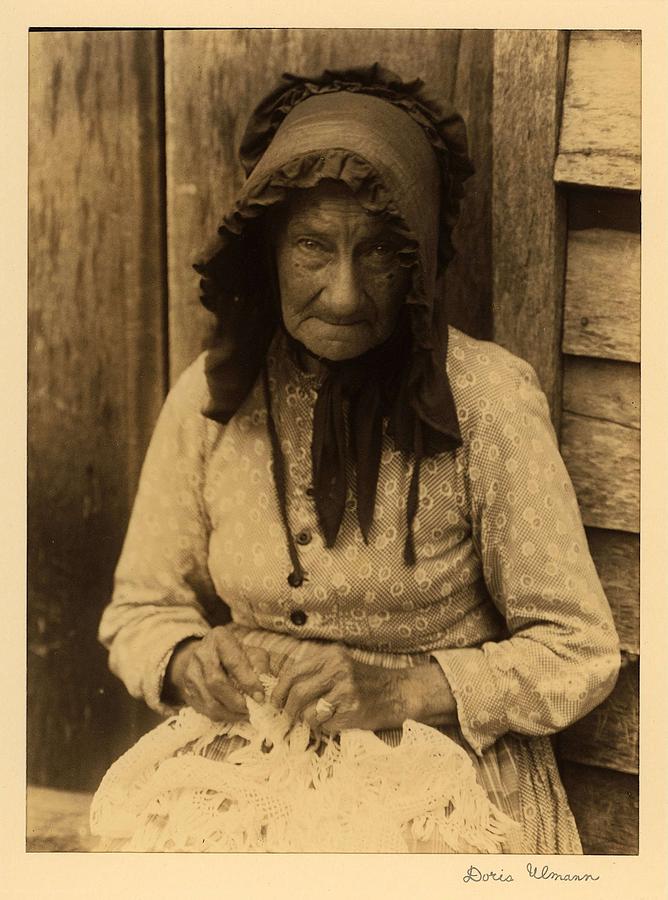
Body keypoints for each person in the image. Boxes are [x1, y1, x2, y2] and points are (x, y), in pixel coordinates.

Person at [93, 65, 620, 853]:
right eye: (312, 246)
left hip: (431, 775)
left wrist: (403, 688)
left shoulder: (485, 401)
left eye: (377, 252)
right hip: (246, 759)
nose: (343, 293)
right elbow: (139, 608)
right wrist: (185, 658)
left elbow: (579, 650)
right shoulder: (215, 394)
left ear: (417, 259)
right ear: (266, 248)